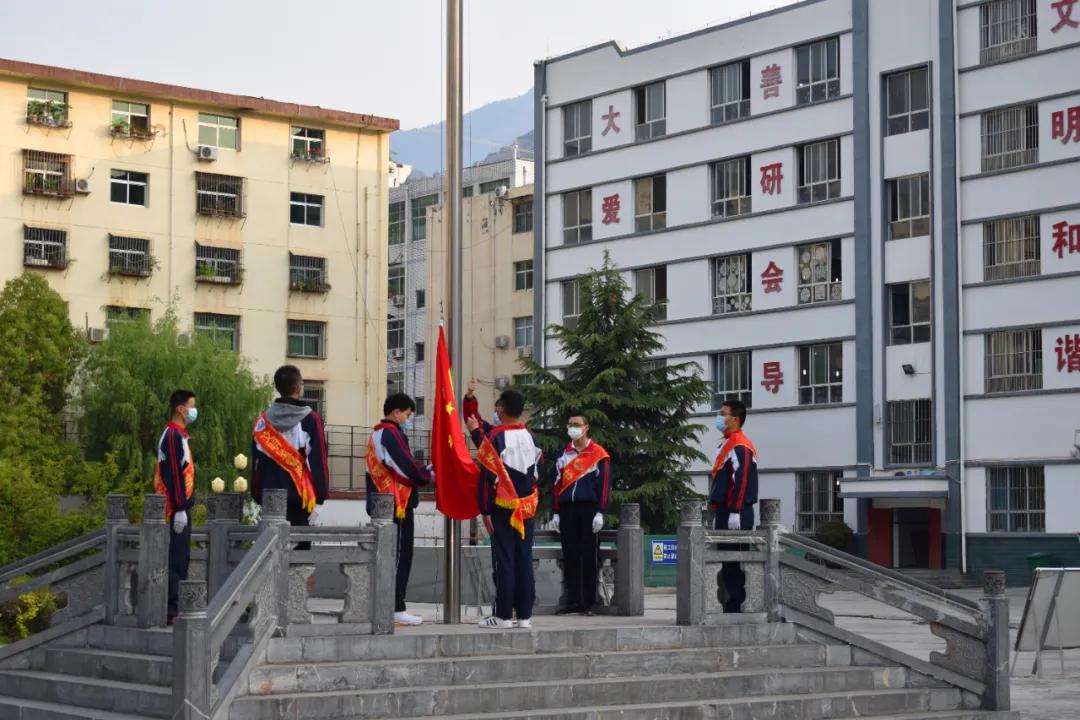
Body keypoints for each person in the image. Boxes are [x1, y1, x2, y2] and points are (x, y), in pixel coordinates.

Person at [466, 388, 542, 629]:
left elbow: (488, 475)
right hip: (527, 507)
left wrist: (485, 510)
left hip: (503, 507)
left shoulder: (497, 437)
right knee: (524, 559)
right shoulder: (532, 436)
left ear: (501, 409)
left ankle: (502, 616)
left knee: (504, 560)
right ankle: (524, 616)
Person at [366, 393, 433, 626]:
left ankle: (386, 604)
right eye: (407, 413)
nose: (408, 418)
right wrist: (428, 474)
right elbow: (405, 469)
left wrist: (424, 469)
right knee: (399, 556)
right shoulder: (391, 434)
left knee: (387, 556)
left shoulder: (377, 433)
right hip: (397, 504)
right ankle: (396, 607)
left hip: (382, 503)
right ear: (396, 412)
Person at [252, 366, 329, 551]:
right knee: (299, 560)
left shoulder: (262, 421)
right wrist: (320, 498)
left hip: (269, 497)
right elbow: (318, 461)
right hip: (299, 498)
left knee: (271, 553)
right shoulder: (310, 419)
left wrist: (256, 494)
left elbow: (255, 462)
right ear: (299, 388)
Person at [552, 412, 611, 616]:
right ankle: (573, 600)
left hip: (589, 510)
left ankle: (588, 601)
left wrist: (600, 512)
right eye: (569, 424)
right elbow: (557, 486)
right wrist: (556, 512)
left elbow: (604, 486)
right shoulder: (563, 455)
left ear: (586, 428)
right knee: (570, 555)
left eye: (576, 424)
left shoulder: (599, 454)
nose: (572, 428)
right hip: (567, 509)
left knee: (588, 555)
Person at [709, 399, 758, 614]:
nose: (719, 417)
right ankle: (732, 602)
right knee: (726, 562)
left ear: (735, 419)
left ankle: (737, 603)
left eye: (723, 413)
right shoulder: (727, 443)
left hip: (735, 511)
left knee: (735, 560)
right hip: (724, 510)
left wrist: (736, 510)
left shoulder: (740, 445)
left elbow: (742, 478)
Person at [154, 389, 197, 624]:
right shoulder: (171, 435)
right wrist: (180, 507)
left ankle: (176, 606)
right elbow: (172, 475)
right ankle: (171, 610)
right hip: (174, 509)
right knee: (176, 558)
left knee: (183, 557)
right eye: (192, 406)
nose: (194, 411)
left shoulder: (180, 435)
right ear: (181, 409)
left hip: (181, 507)